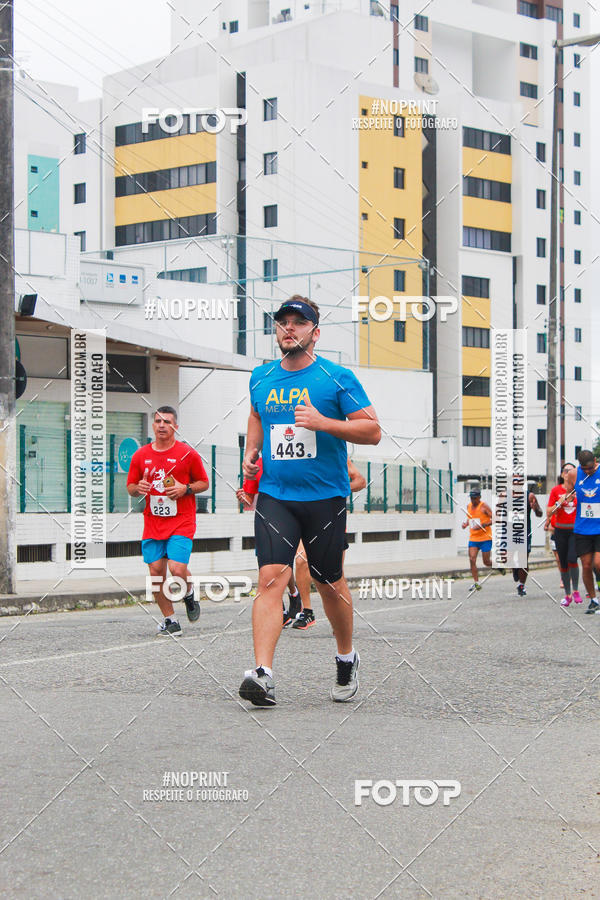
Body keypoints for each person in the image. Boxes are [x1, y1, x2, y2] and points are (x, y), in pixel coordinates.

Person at [238, 295, 381, 706]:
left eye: (298, 323)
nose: (289, 328)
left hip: (326, 497)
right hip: (275, 496)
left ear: (314, 333)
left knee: (327, 581)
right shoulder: (261, 377)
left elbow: (372, 430)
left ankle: (345, 655)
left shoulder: (336, 378)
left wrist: (323, 423)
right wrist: (252, 452)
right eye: (282, 322)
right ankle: (262, 673)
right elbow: (255, 413)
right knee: (270, 578)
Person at [127, 407, 209, 635]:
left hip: (181, 520)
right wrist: (138, 489)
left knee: (176, 568)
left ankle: (189, 594)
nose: (162, 425)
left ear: (175, 426)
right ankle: (170, 620)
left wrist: (186, 488)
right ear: (153, 425)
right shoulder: (141, 455)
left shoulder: (187, 454)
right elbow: (131, 487)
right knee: (155, 572)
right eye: (158, 421)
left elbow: (204, 482)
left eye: (167, 421)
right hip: (153, 522)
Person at [290, 458, 367, 630]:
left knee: (335, 576)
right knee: (301, 560)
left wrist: (336, 490)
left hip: (331, 517)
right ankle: (307, 612)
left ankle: (341, 620)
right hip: (305, 516)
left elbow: (360, 481)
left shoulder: (334, 453)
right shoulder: (299, 454)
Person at [236, 456, 302, 621]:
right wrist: (242, 497)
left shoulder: (292, 459)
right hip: (265, 521)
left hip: (292, 519)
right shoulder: (256, 464)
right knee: (266, 568)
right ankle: (280, 611)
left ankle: (294, 593)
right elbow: (249, 499)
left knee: (283, 565)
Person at [563, 449, 600, 614]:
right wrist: (567, 498)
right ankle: (593, 600)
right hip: (582, 527)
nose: (588, 472)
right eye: (585, 469)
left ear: (596, 461)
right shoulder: (572, 474)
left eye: (591, 468)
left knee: (598, 563)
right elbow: (569, 494)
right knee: (585, 565)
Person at [544, 464, 581, 606]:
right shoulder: (556, 490)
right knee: (563, 562)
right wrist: (559, 502)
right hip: (560, 530)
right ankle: (568, 594)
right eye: (566, 471)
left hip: (575, 530)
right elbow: (549, 511)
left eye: (572, 471)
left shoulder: (579, 490)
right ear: (562, 474)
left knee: (572, 558)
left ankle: (576, 590)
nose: (568, 473)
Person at [461, 488, 504, 591]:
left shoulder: (484, 506)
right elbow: (470, 518)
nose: (473, 500)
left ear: (479, 497)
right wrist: (466, 524)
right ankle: (476, 582)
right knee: (472, 559)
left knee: (486, 562)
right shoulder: (469, 506)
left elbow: (496, 519)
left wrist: (483, 525)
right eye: (471, 498)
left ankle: (498, 566)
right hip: (474, 538)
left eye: (475, 498)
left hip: (485, 538)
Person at [512, 484, 543, 596]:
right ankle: (515, 569)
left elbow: (540, 514)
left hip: (525, 533)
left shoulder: (529, 496)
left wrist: (536, 508)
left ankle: (521, 585)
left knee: (523, 560)